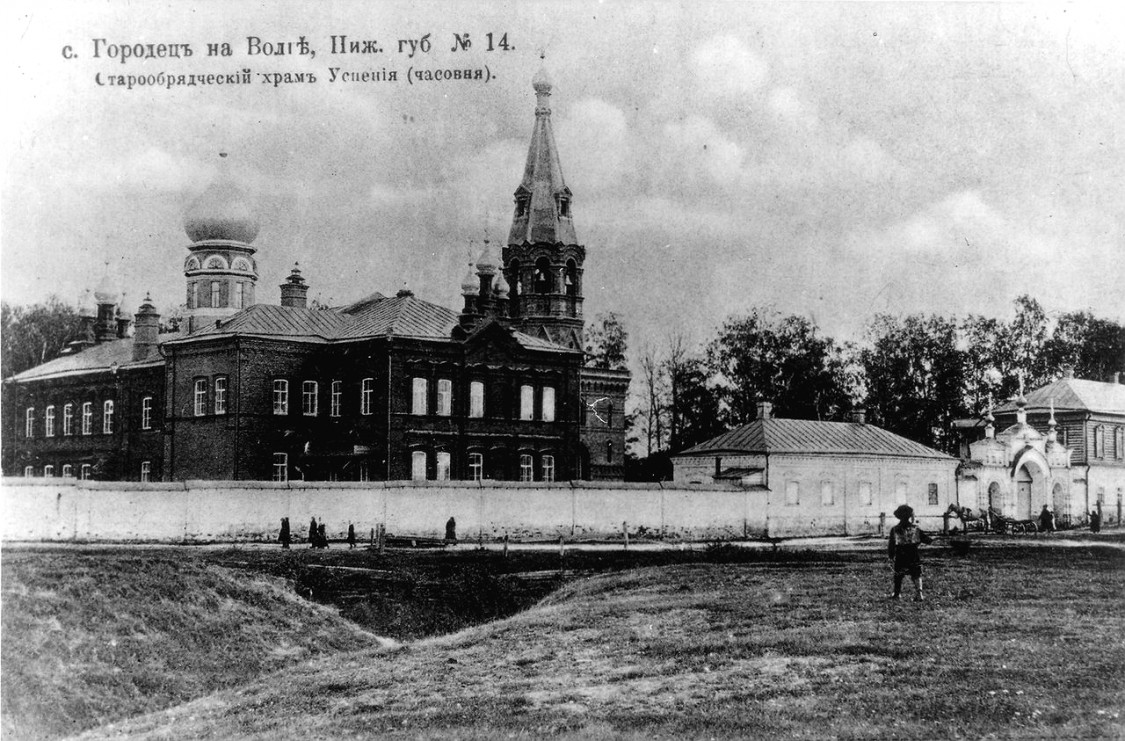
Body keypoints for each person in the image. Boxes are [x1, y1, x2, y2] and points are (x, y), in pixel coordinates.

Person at [888, 504, 932, 602]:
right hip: (913, 553)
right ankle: (919, 594)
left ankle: (897, 593)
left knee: (898, 574)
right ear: (909, 516)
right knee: (916, 573)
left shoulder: (895, 529)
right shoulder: (915, 528)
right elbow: (926, 539)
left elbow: (891, 544)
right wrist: (931, 540)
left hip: (901, 554)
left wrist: (891, 556)